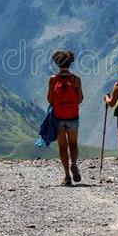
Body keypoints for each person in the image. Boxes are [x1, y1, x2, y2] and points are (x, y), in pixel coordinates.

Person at [48, 50, 84, 186]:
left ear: (57, 64)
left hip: (58, 118)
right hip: (73, 116)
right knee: (73, 144)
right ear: (70, 63)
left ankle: (67, 176)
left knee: (63, 147)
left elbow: (50, 99)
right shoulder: (76, 79)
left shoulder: (53, 79)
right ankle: (74, 164)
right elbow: (80, 99)